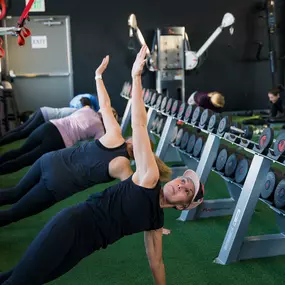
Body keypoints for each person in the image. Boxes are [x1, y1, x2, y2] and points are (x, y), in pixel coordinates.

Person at [0, 46, 204, 285]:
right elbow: (139, 125)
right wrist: (136, 77)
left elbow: (156, 262)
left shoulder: (155, 223)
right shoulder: (147, 177)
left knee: (22, 278)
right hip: (72, 225)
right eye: (183, 181)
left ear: (183, 206)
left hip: (85, 246)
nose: (181, 186)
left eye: (187, 192)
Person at [0, 57, 168, 227]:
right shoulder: (123, 167)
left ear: (133, 139)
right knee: (13, 213)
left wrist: (98, 76)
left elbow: (105, 104)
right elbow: (137, 195)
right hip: (56, 184)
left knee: (14, 193)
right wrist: (155, 220)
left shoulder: (115, 135)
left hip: (49, 160)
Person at [0, 97, 106, 175]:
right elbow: (96, 148)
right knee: (23, 161)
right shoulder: (100, 129)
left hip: (49, 126)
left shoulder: (87, 109)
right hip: (58, 140)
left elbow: (84, 103)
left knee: (20, 151)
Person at [0, 106, 77, 146]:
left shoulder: (78, 110)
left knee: (20, 130)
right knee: (22, 133)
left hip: (43, 111)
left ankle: (2, 139)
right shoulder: (79, 113)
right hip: (44, 116)